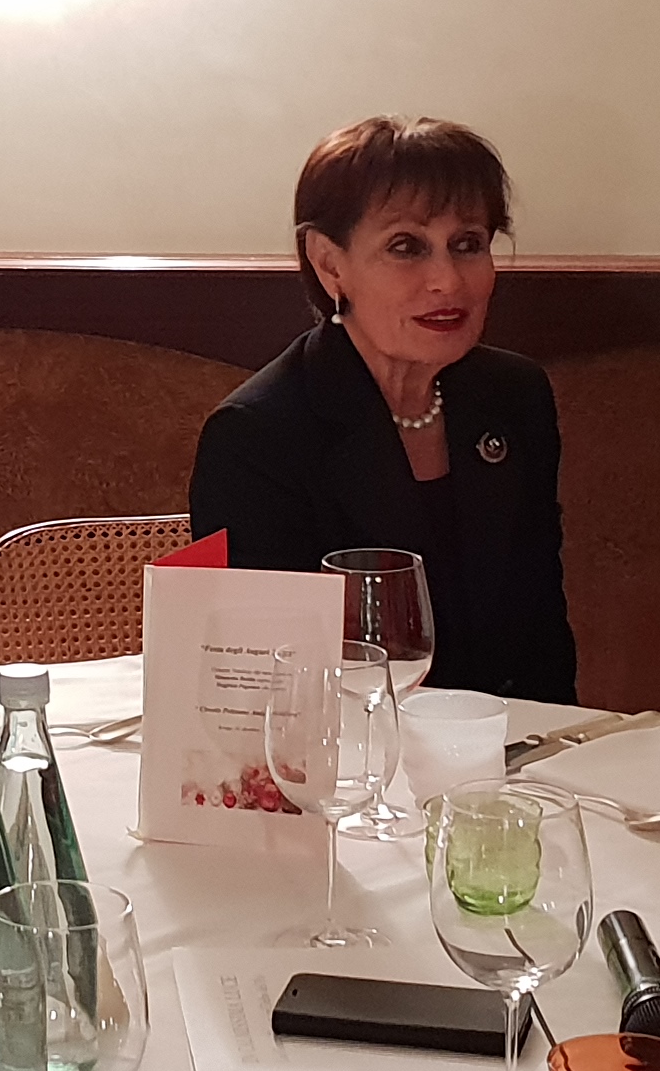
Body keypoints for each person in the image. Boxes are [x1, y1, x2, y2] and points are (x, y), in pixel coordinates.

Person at [189, 116, 576, 703]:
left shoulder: (514, 396)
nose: (447, 281)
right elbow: (272, 689)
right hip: (352, 748)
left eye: (468, 244)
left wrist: (560, 749)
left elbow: (542, 636)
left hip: (505, 744)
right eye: (406, 247)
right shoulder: (260, 435)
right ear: (330, 263)